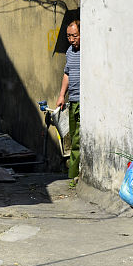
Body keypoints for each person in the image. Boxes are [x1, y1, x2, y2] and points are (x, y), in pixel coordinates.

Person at [55, 20, 80, 186]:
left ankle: (76, 176)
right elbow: (67, 74)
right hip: (73, 100)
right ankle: (73, 175)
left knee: (78, 138)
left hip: (85, 101)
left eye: (75, 36)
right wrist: (62, 95)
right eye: (69, 36)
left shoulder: (88, 52)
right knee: (73, 137)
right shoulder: (70, 52)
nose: (71, 39)